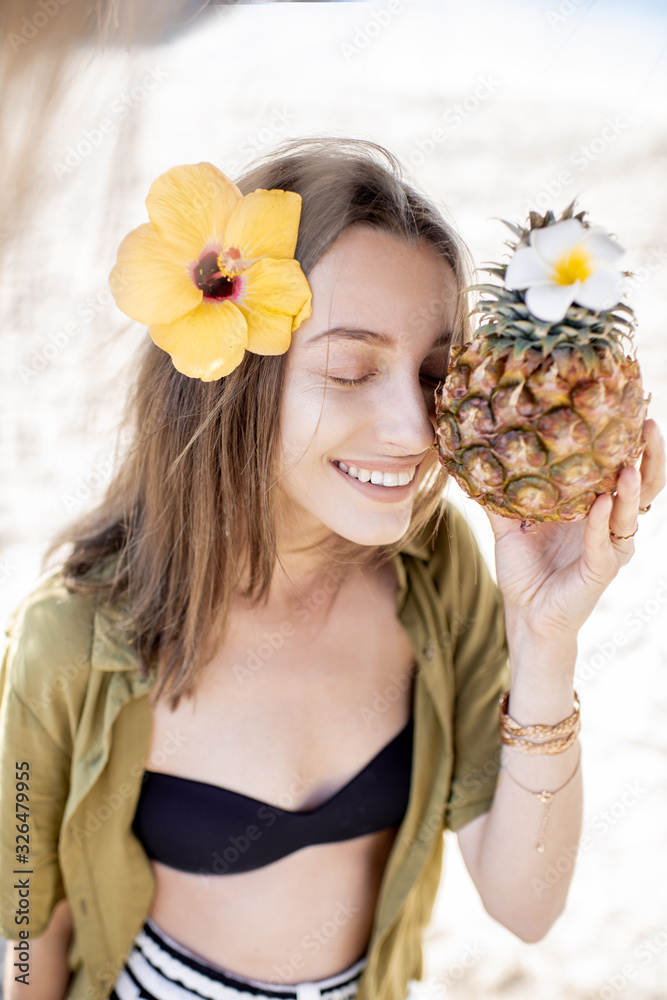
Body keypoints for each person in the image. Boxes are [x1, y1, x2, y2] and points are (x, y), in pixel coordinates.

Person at [0, 137, 664, 1000]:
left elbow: (525, 907)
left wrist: (545, 638)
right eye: (351, 369)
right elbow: (24, 926)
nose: (415, 430)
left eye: (433, 376)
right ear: (231, 380)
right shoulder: (69, 639)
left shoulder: (437, 574)